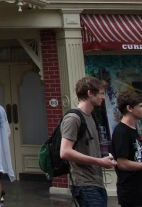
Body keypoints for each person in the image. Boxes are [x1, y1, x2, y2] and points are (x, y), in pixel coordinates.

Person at [60, 76, 117, 207]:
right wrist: (99, 161)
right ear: (90, 93)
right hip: (84, 184)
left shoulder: (91, 117)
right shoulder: (73, 118)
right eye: (101, 93)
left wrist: (103, 159)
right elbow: (65, 152)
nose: (103, 97)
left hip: (96, 182)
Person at [110, 90, 142, 207]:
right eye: (140, 106)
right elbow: (122, 163)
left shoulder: (133, 129)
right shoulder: (121, 132)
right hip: (131, 193)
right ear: (129, 108)